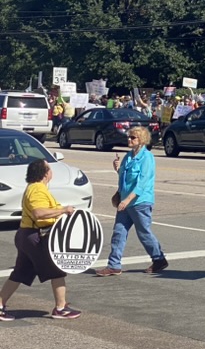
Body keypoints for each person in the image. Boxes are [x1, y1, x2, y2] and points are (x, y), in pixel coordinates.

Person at [0, 159, 80, 321]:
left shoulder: (35, 188)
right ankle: (61, 308)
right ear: (45, 173)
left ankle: (0, 304)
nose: (52, 171)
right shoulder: (37, 189)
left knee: (20, 273)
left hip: (26, 235)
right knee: (57, 269)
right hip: (36, 236)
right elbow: (39, 213)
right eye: (49, 169)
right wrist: (63, 210)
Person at [96, 126, 168, 276]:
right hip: (126, 201)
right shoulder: (128, 156)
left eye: (133, 137)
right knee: (118, 232)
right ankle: (114, 265)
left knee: (144, 233)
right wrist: (118, 169)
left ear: (141, 140)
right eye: (129, 137)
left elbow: (142, 183)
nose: (129, 139)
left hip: (140, 202)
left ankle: (159, 258)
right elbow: (125, 179)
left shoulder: (147, 157)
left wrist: (127, 200)